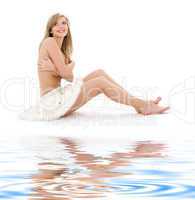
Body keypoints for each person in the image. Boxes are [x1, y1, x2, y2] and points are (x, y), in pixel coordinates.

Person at [19, 13, 170, 121]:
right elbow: (67, 74)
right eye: (56, 24)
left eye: (64, 23)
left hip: (60, 98)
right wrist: (70, 65)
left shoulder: (62, 51)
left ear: (68, 28)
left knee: (100, 72)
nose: (61, 26)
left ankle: (139, 104)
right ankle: (144, 106)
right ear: (50, 29)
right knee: (100, 83)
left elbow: (70, 77)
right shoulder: (49, 42)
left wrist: (56, 68)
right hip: (51, 103)